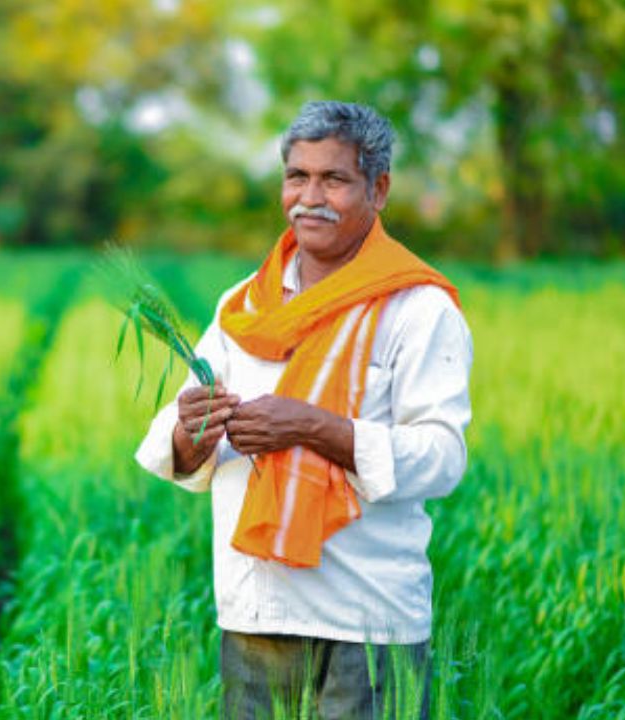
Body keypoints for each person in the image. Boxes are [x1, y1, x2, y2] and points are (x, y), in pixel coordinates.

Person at [134, 101, 473, 720]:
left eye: (334, 179)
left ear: (379, 189)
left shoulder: (417, 309)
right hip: (256, 610)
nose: (310, 197)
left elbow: (444, 458)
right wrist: (192, 430)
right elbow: (177, 438)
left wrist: (318, 429)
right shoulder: (244, 303)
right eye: (298, 176)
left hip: (369, 615)